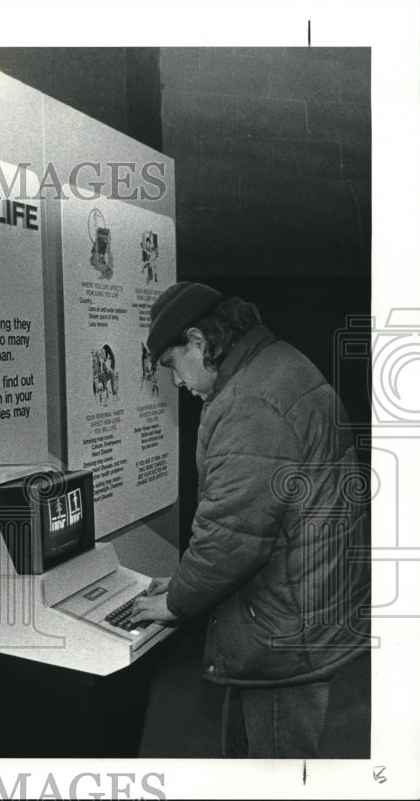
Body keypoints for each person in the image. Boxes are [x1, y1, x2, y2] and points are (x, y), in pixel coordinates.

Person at [129, 281, 370, 758]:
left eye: (172, 365)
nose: (176, 382)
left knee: (276, 768)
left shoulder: (249, 403)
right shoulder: (277, 362)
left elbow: (231, 535)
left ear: (198, 342)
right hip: (300, 601)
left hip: (283, 628)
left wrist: (177, 600)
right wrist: (183, 579)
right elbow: (253, 521)